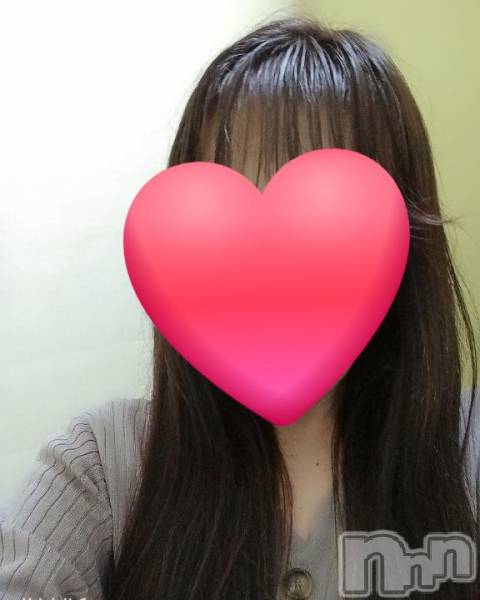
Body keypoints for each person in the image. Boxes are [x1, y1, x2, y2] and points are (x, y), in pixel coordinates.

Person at [0, 14, 479, 600]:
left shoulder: (466, 453)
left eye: (328, 217)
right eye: (228, 227)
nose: (270, 265)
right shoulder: (102, 463)